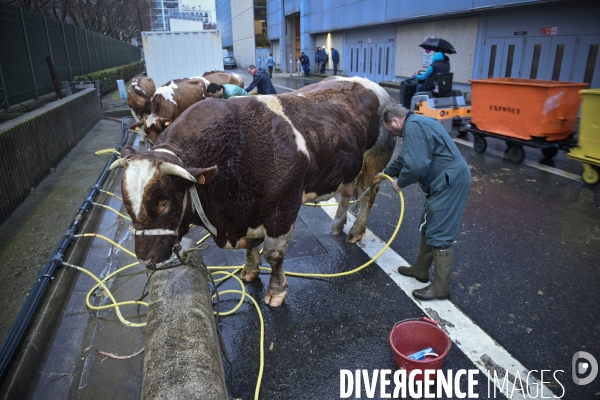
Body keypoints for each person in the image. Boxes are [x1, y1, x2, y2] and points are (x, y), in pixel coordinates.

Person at [375, 104, 471, 301]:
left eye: (390, 129)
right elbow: (406, 157)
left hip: (449, 183)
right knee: (429, 226)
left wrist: (399, 182)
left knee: (440, 233)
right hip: (444, 182)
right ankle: (420, 270)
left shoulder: (414, 128)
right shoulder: (416, 124)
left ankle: (441, 288)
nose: (392, 134)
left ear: (395, 121)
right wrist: (387, 173)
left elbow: (417, 164)